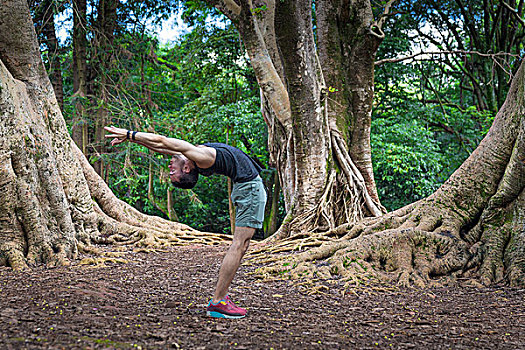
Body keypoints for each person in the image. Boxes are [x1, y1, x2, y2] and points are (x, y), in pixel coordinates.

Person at [104, 126, 266, 319]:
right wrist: (130, 134)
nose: (169, 167)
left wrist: (131, 138)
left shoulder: (194, 156)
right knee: (240, 245)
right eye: (173, 171)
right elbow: (163, 142)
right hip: (250, 190)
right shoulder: (202, 157)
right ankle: (219, 302)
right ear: (187, 168)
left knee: (240, 245)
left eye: (171, 170)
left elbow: (161, 147)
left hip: (247, 189)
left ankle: (219, 300)